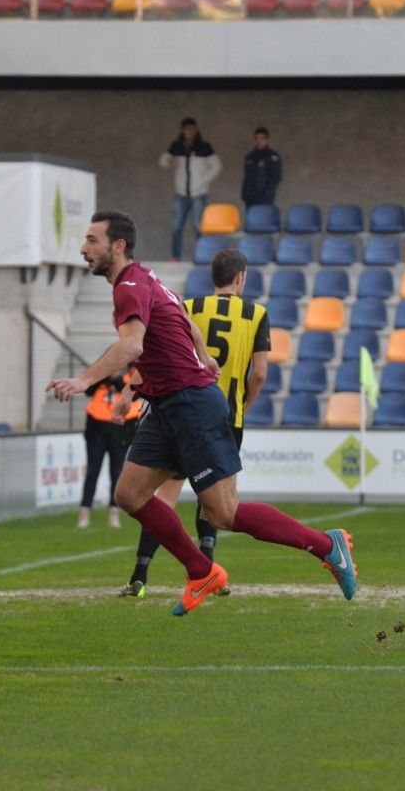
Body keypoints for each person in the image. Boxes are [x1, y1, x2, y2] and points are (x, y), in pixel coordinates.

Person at [47, 210, 356, 616]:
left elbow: (133, 345)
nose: (84, 249)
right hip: (165, 407)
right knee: (129, 493)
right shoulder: (145, 279)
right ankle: (200, 570)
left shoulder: (130, 287)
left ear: (117, 246)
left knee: (223, 513)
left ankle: (326, 545)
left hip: (191, 405)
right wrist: (204, 353)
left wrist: (84, 381)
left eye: (92, 240)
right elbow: (184, 318)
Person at [119, 248, 269, 598]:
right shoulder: (257, 313)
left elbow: (159, 353)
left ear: (212, 277)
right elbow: (259, 373)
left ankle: (140, 573)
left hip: (177, 408)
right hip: (224, 415)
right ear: (240, 277)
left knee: (161, 497)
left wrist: (129, 390)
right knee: (217, 503)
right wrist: (244, 405)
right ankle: (210, 569)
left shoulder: (187, 308)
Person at [77, 371, 142, 530]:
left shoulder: (130, 378)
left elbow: (134, 396)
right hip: (96, 428)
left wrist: (117, 380)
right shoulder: (100, 378)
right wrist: (105, 376)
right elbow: (88, 391)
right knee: (92, 470)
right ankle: (85, 511)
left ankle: (114, 512)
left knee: (116, 471)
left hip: (120, 428)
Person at [158, 117, 222, 261]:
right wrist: (170, 161)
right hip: (180, 194)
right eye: (186, 129)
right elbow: (162, 161)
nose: (189, 132)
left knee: (199, 227)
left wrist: (203, 181)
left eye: (192, 129)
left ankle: (202, 256)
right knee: (176, 227)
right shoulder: (176, 146)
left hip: (199, 193)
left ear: (196, 130)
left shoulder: (204, 146)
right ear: (182, 130)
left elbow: (217, 166)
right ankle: (175, 256)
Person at [241, 126, 282, 209]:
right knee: (251, 221)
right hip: (250, 197)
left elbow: (276, 177)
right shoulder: (250, 157)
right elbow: (247, 177)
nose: (259, 141)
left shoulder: (272, 157)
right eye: (257, 139)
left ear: (267, 140)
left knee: (264, 220)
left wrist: (267, 194)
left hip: (265, 198)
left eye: (262, 138)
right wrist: (244, 194)